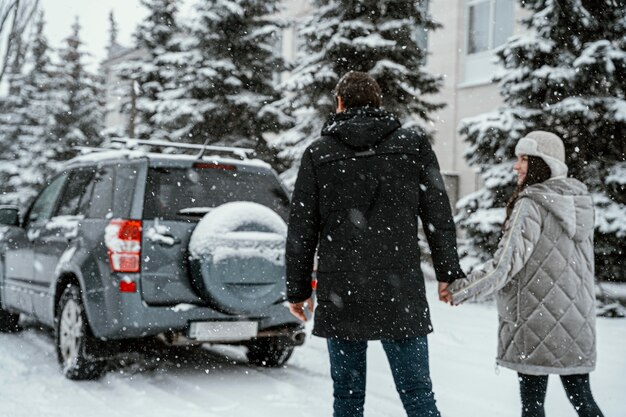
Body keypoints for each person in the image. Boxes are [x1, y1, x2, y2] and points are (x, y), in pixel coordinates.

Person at [285, 71, 466, 417]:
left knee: (348, 400)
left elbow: (301, 230)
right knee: (418, 394)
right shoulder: (412, 145)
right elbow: (438, 216)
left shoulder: (319, 154)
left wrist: (297, 290)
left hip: (343, 290)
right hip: (399, 289)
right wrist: (448, 271)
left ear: (339, 103)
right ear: (378, 102)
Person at [442, 131, 604, 417]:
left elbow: (504, 265)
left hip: (536, 322)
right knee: (584, 401)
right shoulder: (579, 202)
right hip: (577, 322)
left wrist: (460, 289)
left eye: (524, 159)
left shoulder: (532, 203)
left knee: (532, 406)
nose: (516, 166)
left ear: (544, 163)